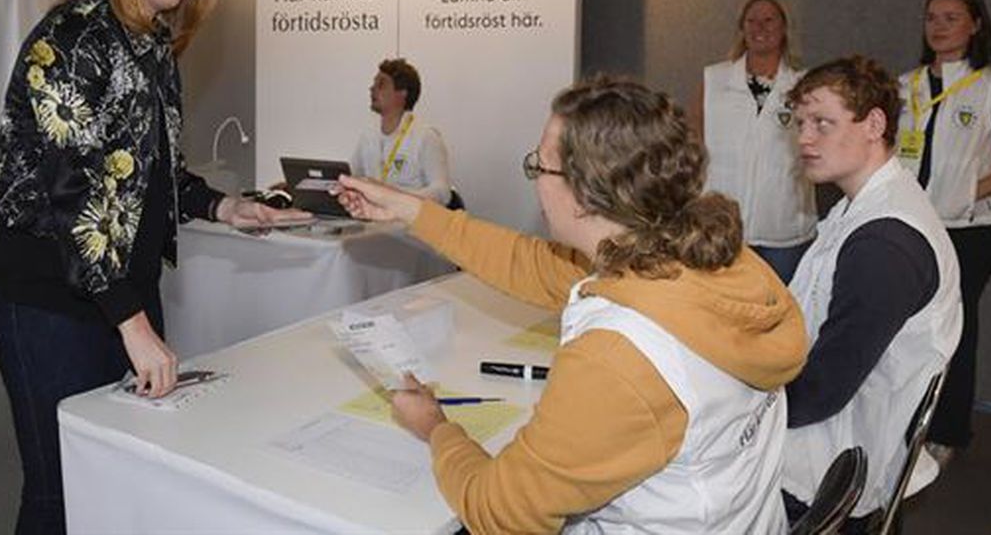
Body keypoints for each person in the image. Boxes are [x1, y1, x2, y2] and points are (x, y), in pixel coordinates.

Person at [0, 0, 308, 534]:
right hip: (49, 300)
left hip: (120, 292)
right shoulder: (73, 37)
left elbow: (146, 172)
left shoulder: (152, 44)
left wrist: (226, 207)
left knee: (116, 473)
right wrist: (133, 324)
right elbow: (71, 194)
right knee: (60, 488)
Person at [335, 77, 807, 534]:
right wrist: (408, 211)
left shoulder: (620, 355)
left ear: (585, 194)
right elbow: (529, 263)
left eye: (539, 167)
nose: (535, 181)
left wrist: (436, 427)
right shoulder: (715, 261)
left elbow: (501, 513)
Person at [781, 56, 962, 531]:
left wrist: (738, 411)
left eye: (823, 122)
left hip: (835, 463)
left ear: (874, 124)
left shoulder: (885, 242)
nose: (804, 138)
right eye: (799, 123)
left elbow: (823, 391)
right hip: (839, 430)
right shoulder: (860, 207)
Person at [897, 0, 991, 466]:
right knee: (905, 328)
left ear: (975, 24)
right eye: (931, 16)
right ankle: (902, 419)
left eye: (951, 17)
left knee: (955, 329)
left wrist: (962, 194)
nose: (938, 26)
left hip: (968, 233)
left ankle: (949, 429)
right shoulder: (905, 86)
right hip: (911, 227)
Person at [693, 0, 816, 282]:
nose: (760, 28)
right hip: (722, 230)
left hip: (784, 233)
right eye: (752, 21)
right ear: (741, 28)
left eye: (769, 20)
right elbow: (691, 141)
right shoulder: (714, 79)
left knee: (778, 317)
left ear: (784, 27)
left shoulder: (804, 84)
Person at [350, 58, 453, 205]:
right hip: (371, 224)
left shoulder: (426, 137)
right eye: (373, 83)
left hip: (408, 225)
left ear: (403, 93)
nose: (372, 89)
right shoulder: (368, 135)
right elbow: (351, 177)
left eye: (381, 84)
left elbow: (442, 193)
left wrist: (393, 197)